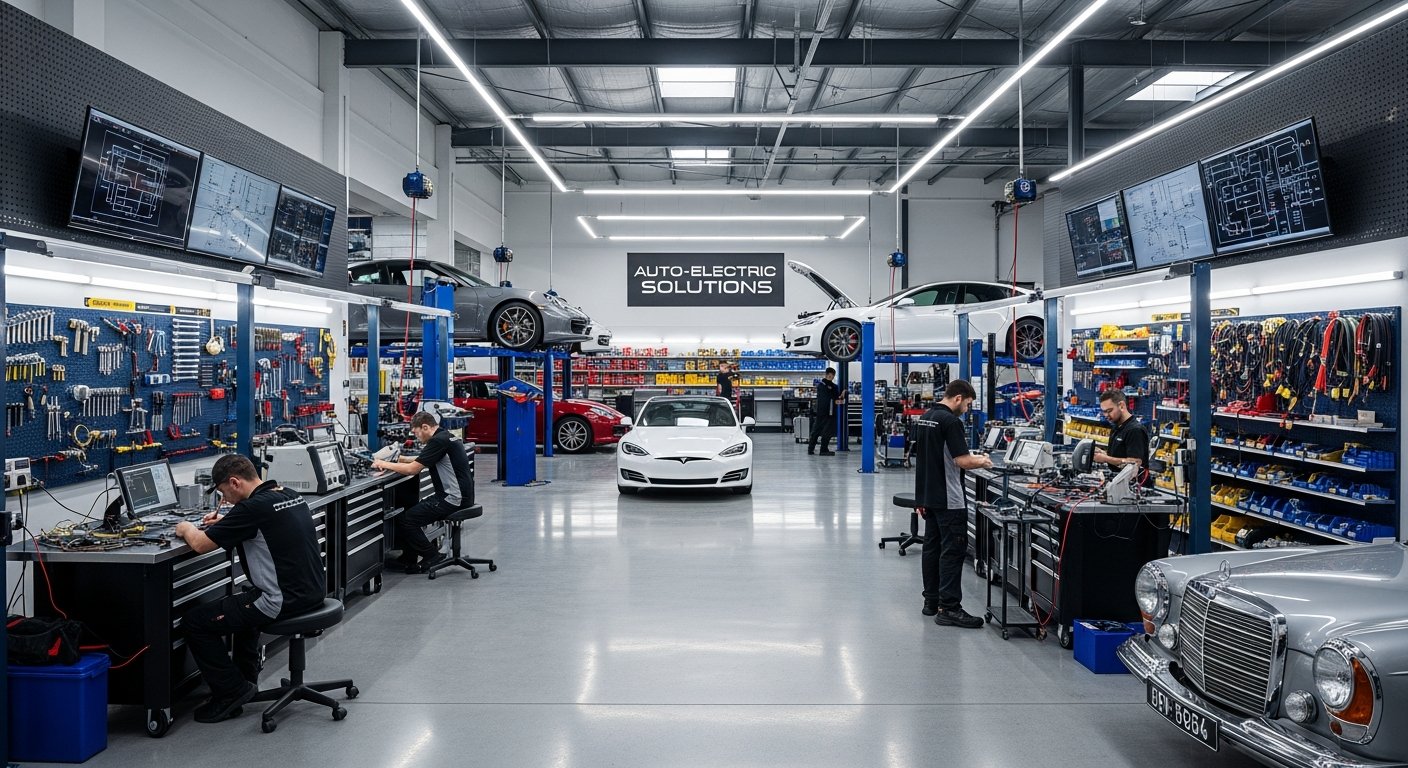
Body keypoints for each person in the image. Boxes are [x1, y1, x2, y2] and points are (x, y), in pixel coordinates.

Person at [172, 454, 325, 723]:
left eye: (223, 493)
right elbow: (265, 525)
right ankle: (245, 683)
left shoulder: (251, 510)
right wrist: (226, 524)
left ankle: (231, 692)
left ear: (235, 482)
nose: (224, 501)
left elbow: (199, 544)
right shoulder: (287, 494)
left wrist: (185, 527)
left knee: (194, 622)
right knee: (244, 600)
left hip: (282, 601)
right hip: (313, 592)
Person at [913, 379, 992, 628]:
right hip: (950, 499)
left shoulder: (925, 417)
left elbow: (923, 460)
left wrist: (920, 498)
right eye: (968, 404)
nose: (967, 409)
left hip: (930, 496)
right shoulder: (951, 422)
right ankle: (949, 608)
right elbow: (962, 461)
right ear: (958, 398)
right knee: (953, 551)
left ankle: (931, 601)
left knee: (932, 548)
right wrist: (983, 461)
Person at [372, 411, 474, 573]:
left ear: (425, 427)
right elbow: (424, 459)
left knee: (407, 519)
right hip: (461, 496)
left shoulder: (437, 441)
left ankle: (432, 556)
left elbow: (413, 470)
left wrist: (383, 463)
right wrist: (402, 459)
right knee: (411, 511)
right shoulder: (445, 436)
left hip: (453, 498)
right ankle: (408, 558)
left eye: (416, 432)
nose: (416, 436)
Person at [1093, 389, 1149, 472]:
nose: (1106, 415)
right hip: (1118, 480)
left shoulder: (1135, 430)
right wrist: (1102, 453)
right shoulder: (1117, 427)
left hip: (1133, 483)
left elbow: (1135, 463)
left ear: (1121, 406)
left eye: (1109, 411)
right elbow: (1119, 456)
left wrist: (1105, 458)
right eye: (1104, 412)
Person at [807, 367, 844, 455]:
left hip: (829, 412)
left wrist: (841, 395)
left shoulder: (833, 386)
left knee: (825, 431)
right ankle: (814, 449)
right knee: (818, 430)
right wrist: (835, 398)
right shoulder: (822, 385)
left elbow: (836, 395)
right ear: (826, 375)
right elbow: (830, 397)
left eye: (832, 376)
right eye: (829, 375)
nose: (831, 377)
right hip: (824, 412)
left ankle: (821, 449)